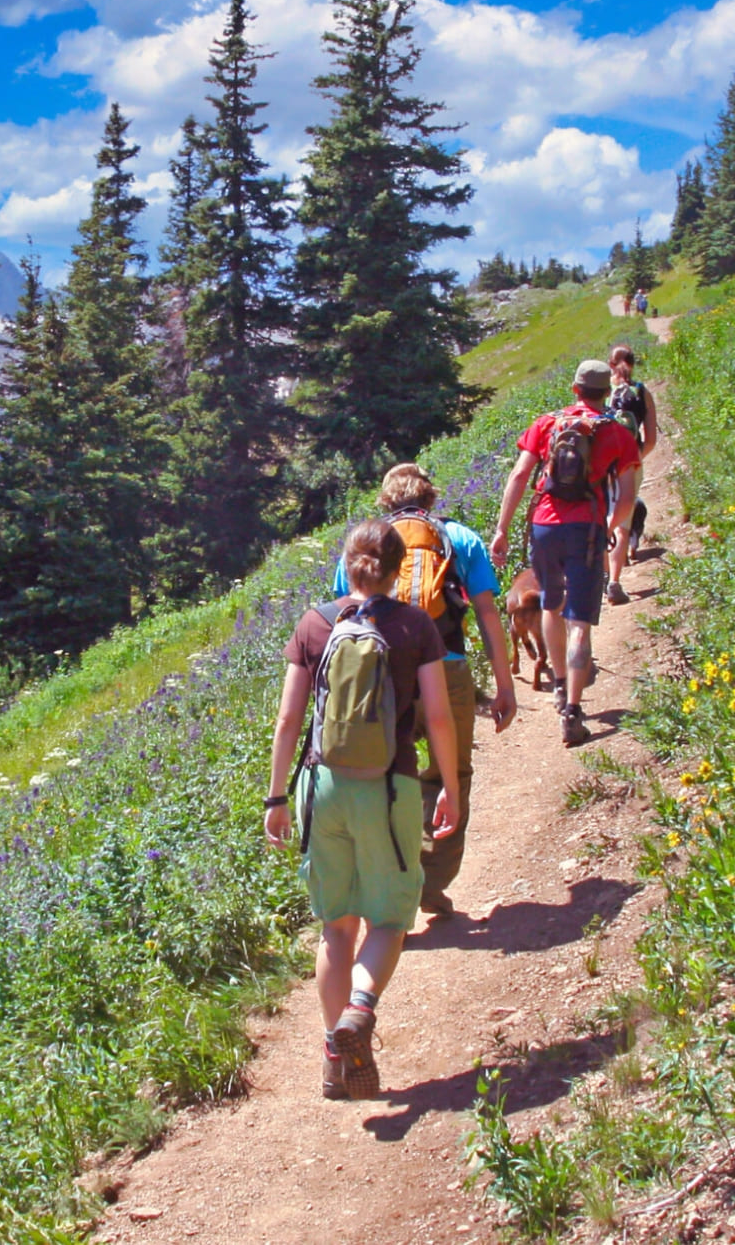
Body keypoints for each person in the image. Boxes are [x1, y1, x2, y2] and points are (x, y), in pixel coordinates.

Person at [265, 519, 459, 1101]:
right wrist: (449, 785)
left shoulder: (315, 624)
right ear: (401, 570)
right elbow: (440, 716)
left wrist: (277, 797)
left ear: (346, 564)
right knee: (392, 919)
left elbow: (287, 722)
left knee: (335, 925)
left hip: (322, 785)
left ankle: (333, 1055)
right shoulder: (415, 625)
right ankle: (360, 1009)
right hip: (390, 786)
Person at [333, 464, 517, 919]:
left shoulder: (360, 547)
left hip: (380, 674)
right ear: (430, 496)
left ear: (385, 501)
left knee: (382, 774)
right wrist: (504, 682)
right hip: (447, 669)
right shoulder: (459, 538)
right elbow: (489, 615)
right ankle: (430, 887)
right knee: (450, 773)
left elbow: (344, 613)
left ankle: (384, 884)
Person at [490, 360, 640, 747]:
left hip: (544, 525)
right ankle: (573, 710)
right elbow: (626, 498)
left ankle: (558, 686)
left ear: (574, 389)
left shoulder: (547, 424)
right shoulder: (617, 433)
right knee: (580, 622)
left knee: (551, 606)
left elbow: (520, 476)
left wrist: (502, 529)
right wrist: (606, 529)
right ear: (607, 393)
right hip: (586, 527)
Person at [606, 344, 658, 582]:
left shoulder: (602, 390)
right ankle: (615, 580)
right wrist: (636, 458)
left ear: (610, 365)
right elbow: (651, 439)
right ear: (634, 363)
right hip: (631, 464)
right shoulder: (642, 392)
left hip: (602, 463)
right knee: (621, 521)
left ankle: (603, 578)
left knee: (601, 515)